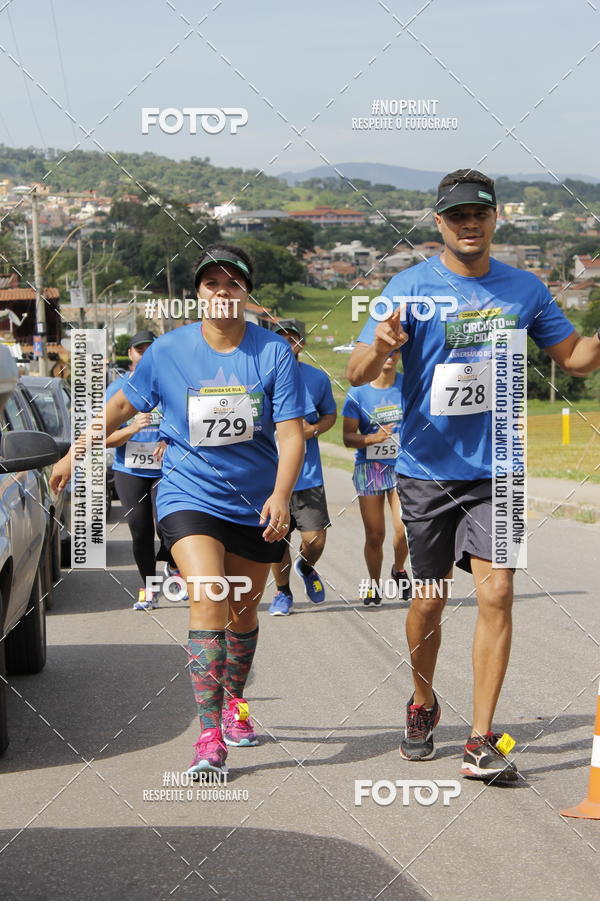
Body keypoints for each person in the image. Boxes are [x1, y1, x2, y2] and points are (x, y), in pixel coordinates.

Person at [347, 169, 600, 782]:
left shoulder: (524, 289)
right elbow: (356, 372)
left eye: (479, 214)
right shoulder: (407, 288)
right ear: (438, 223)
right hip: (428, 470)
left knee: (498, 591)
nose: (468, 224)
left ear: (494, 220)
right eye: (456, 215)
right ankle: (423, 700)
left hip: (500, 468)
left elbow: (576, 362)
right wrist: (383, 346)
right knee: (429, 603)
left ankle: (481, 739)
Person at [51, 244, 306, 776]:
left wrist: (282, 495)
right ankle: (208, 736)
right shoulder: (167, 351)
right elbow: (121, 405)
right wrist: (77, 452)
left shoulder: (273, 353)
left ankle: (235, 706)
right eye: (211, 283)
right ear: (198, 294)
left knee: (243, 612)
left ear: (246, 292)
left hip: (255, 502)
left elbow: (289, 430)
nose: (222, 292)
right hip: (188, 494)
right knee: (209, 598)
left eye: (232, 283)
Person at [268, 323, 337, 615]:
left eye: (292, 339)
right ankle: (282, 593)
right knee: (276, 540)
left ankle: (305, 566)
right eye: (280, 338)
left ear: (301, 344)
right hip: (269, 476)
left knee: (315, 539)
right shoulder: (260, 376)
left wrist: (315, 430)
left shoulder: (317, 379)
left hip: (307, 476)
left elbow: (330, 415)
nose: (286, 344)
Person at [342, 348, 409, 605]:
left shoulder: (408, 384)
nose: (390, 356)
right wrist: (373, 438)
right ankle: (373, 584)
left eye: (396, 352)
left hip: (402, 467)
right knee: (374, 535)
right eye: (386, 352)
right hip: (369, 469)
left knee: (403, 529)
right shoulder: (358, 392)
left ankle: (399, 569)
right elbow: (348, 438)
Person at [105, 331, 166, 610]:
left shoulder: (171, 382)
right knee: (140, 530)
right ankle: (149, 587)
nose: (144, 355)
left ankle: (175, 566)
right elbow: (103, 437)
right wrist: (131, 428)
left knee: (169, 526)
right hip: (130, 470)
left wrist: (168, 440)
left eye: (150, 350)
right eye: (139, 350)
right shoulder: (118, 389)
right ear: (130, 354)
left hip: (166, 468)